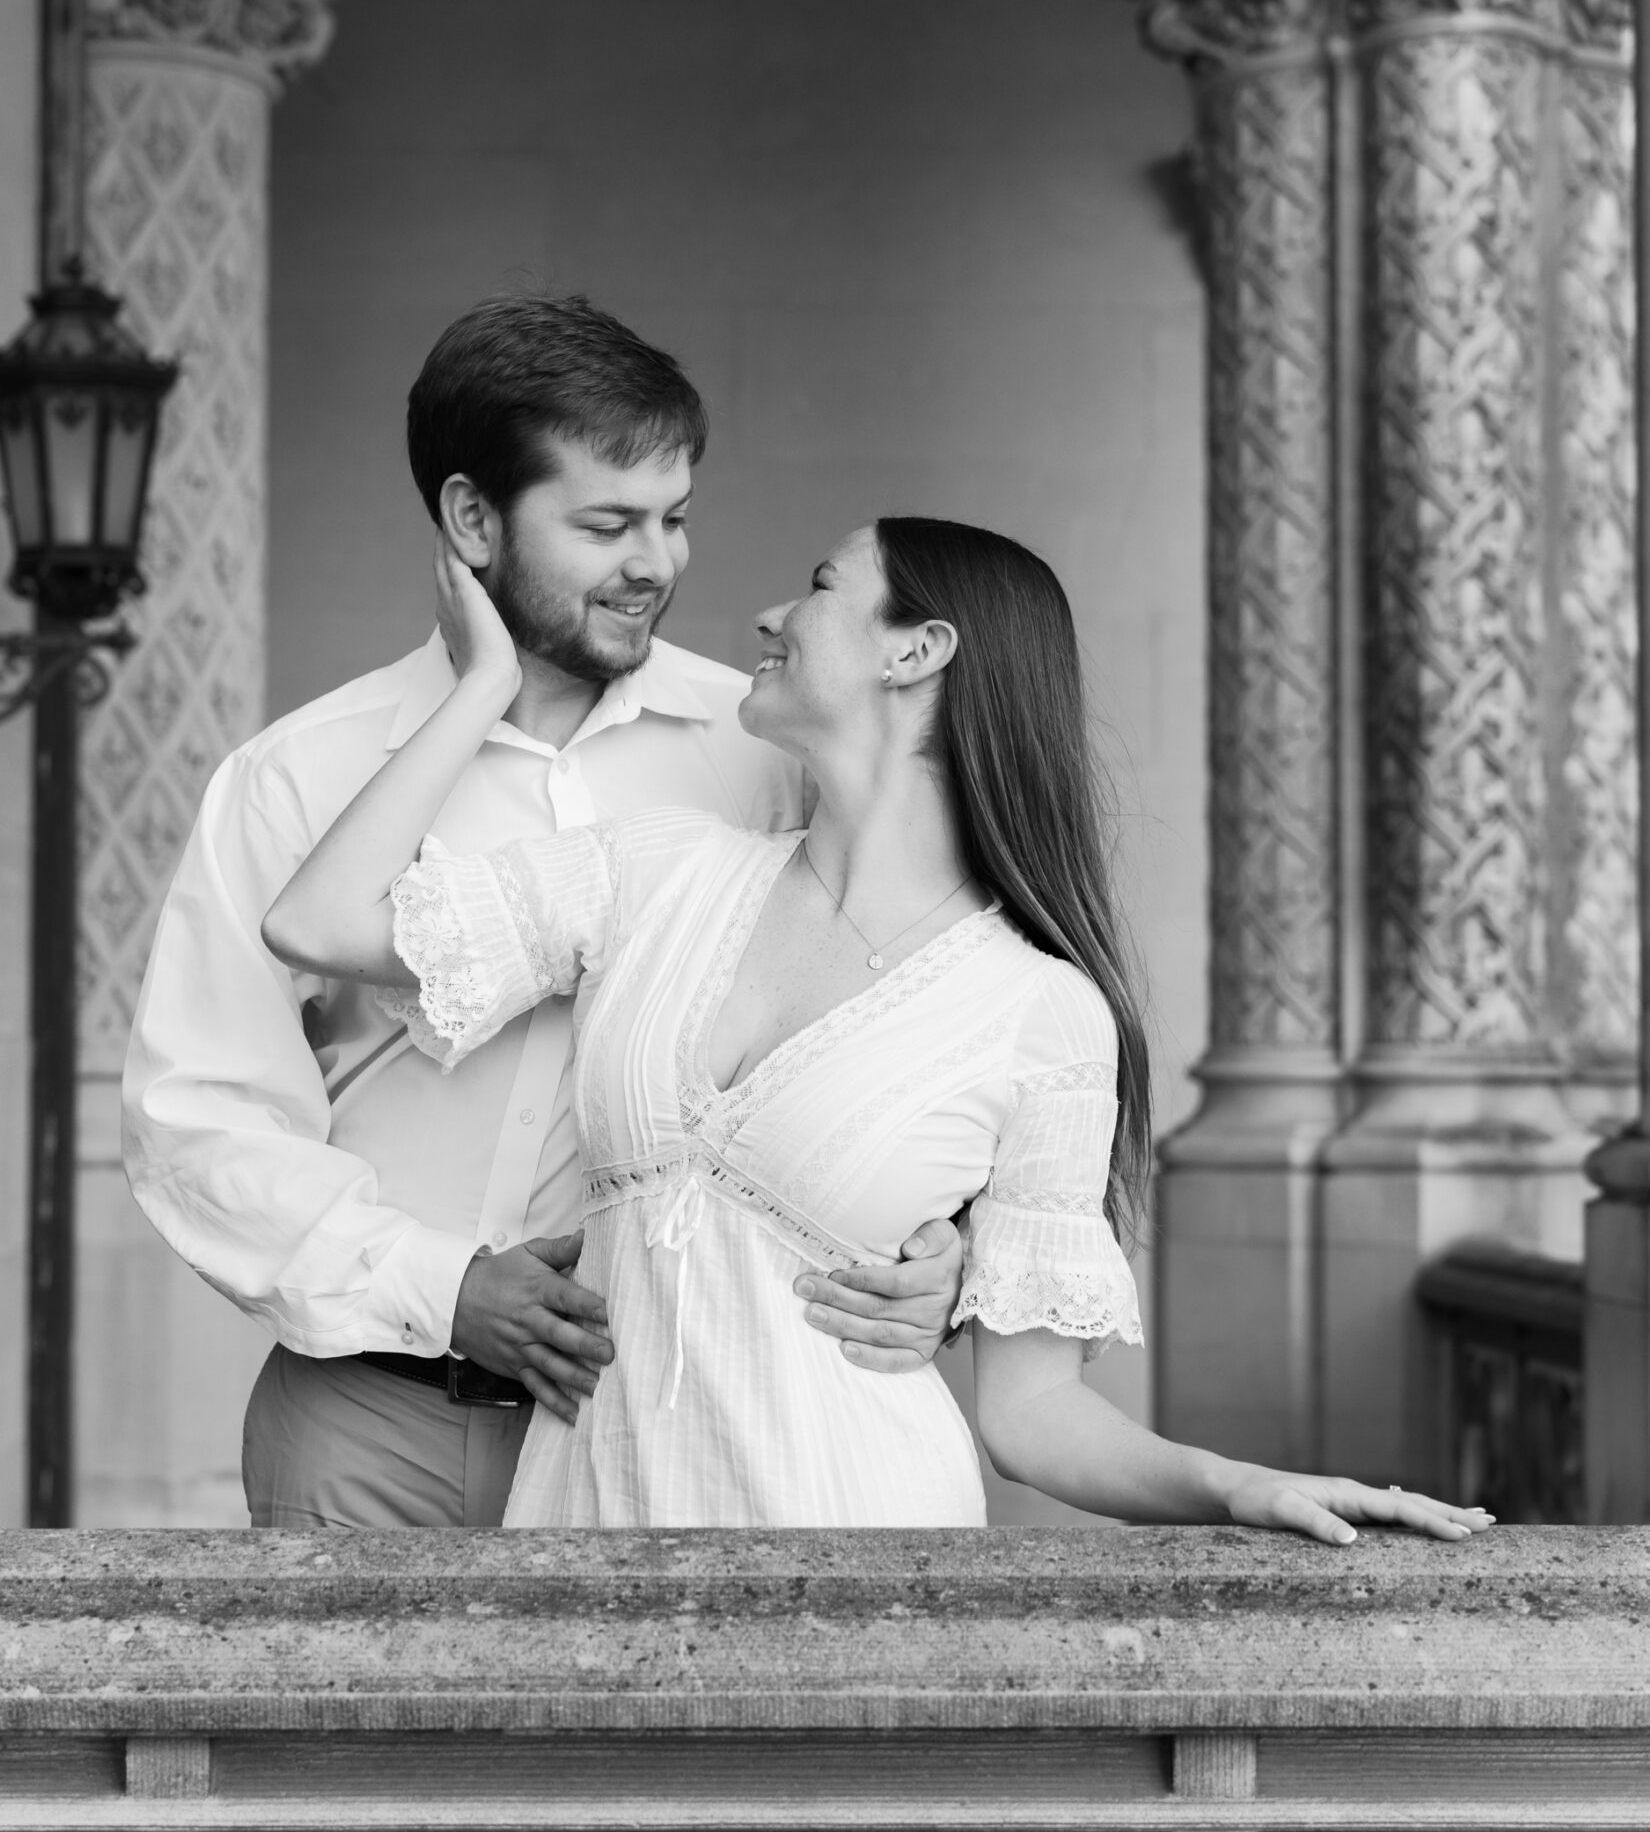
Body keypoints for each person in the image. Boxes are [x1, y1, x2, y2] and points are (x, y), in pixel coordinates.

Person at [264, 512, 1496, 1541]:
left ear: (917, 652)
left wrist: (1236, 1486)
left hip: (854, 1553)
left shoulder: (1043, 1017)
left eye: (816, 589)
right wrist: (477, 684)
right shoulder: (656, 873)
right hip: (585, 1542)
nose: (765, 617)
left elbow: (1029, 1416)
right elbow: (317, 918)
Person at [122, 296, 964, 1530]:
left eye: (673, 519)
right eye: (606, 524)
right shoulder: (295, 779)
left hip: (674, 1430)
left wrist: (940, 1242)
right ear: (473, 518)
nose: (659, 565)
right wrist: (441, 1286)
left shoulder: (766, 758)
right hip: (369, 1431)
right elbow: (197, 1118)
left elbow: (909, 1024)